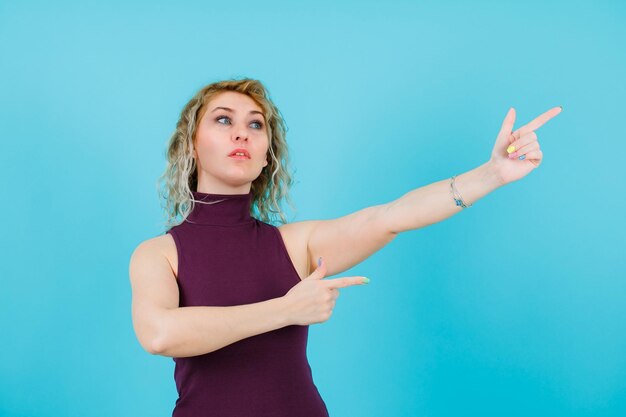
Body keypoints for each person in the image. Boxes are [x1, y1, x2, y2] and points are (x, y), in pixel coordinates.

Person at [128, 78, 562, 416]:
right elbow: (160, 334)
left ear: (266, 157)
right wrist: (286, 310)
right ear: (191, 145)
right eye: (223, 120)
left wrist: (493, 175)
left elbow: (390, 217)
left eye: (255, 124)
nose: (242, 133)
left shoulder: (295, 244)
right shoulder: (158, 253)